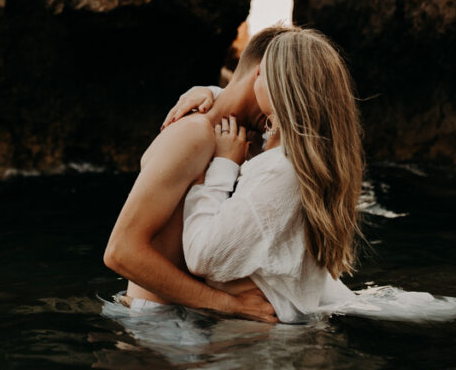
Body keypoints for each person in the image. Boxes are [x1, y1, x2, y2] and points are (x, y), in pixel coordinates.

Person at [103, 26, 291, 323]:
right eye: (286, 90)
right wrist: (232, 306)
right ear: (262, 74)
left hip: (199, 319)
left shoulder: (251, 140)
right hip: (156, 324)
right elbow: (120, 251)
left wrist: (212, 92)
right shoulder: (195, 132)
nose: (286, 108)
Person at [182, 28, 363, 323]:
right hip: (283, 331)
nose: (255, 78)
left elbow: (202, 255)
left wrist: (223, 166)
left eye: (262, 74)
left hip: (260, 349)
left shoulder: (280, 172)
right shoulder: (300, 159)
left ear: (283, 90)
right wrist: (211, 94)